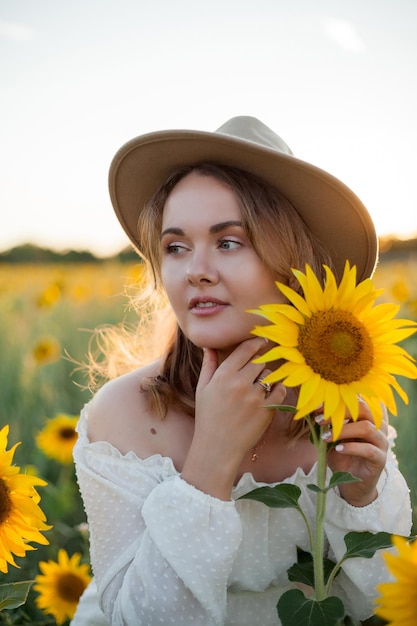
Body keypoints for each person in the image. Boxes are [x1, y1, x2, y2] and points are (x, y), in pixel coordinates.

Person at [71, 116, 412, 626]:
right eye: (175, 247)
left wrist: (361, 500)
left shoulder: (343, 405)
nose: (195, 270)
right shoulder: (122, 416)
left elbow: (379, 605)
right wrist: (209, 463)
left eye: (229, 242)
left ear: (295, 261)